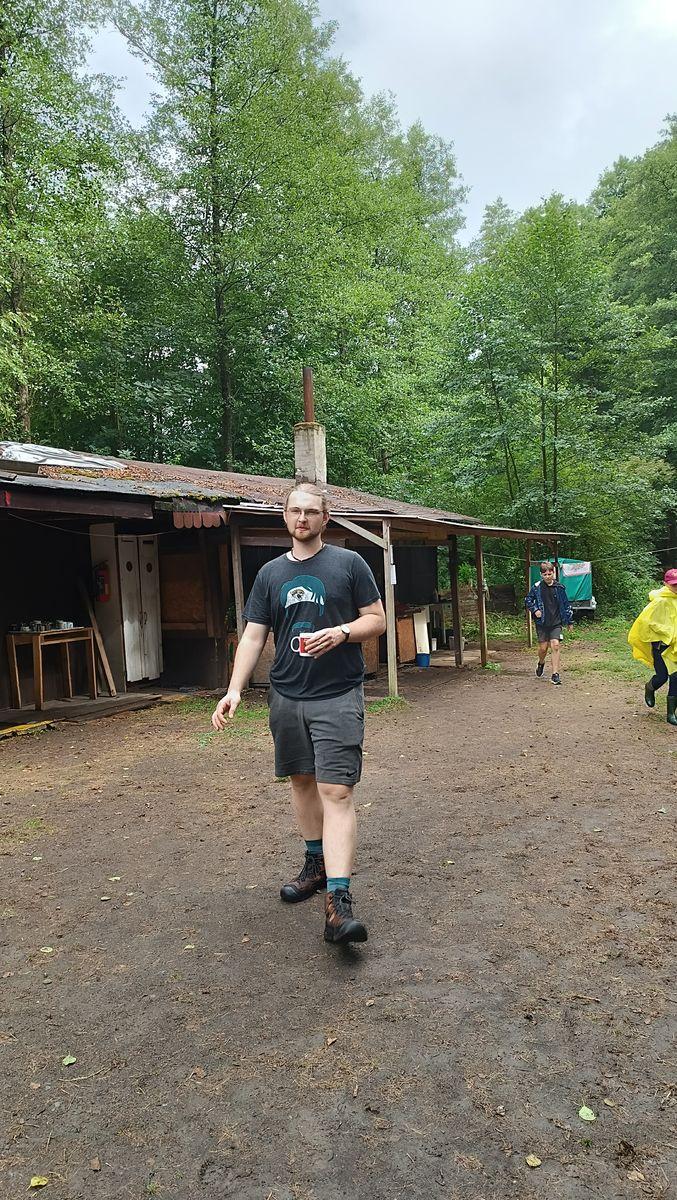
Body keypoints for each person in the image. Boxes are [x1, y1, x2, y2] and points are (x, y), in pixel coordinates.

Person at [211, 483, 386, 945]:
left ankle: (338, 903)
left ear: (325, 518)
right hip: (286, 696)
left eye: (311, 511)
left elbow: (377, 619)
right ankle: (315, 863)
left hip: (337, 694)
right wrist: (234, 690)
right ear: (285, 517)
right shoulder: (270, 574)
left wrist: (342, 632)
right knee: (302, 781)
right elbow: (253, 636)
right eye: (295, 511)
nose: (302, 518)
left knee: (337, 790)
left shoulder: (349, 563)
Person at [627, 567, 677, 727]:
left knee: (675, 677)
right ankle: (650, 688)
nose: (676, 587)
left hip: (675, 647)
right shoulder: (659, 601)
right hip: (661, 646)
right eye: (673, 584)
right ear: (665, 583)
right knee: (662, 677)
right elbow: (646, 622)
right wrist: (668, 633)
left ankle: (671, 713)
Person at [524, 561, 574, 685]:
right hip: (542, 622)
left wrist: (569, 621)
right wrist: (535, 610)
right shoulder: (536, 587)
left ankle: (555, 674)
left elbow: (566, 605)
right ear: (541, 575)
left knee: (555, 645)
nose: (547, 576)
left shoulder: (559, 588)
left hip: (556, 622)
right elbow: (528, 600)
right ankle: (541, 663)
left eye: (549, 574)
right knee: (543, 648)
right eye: (545, 574)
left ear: (554, 573)